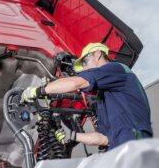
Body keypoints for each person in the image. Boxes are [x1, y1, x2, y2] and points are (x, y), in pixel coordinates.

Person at [22, 43, 153, 150]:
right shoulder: (107, 97)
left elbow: (77, 82)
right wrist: (71, 135)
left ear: (98, 55)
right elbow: (102, 139)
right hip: (119, 153)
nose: (84, 68)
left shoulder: (116, 68)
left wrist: (39, 90)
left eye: (85, 61)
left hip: (134, 149)